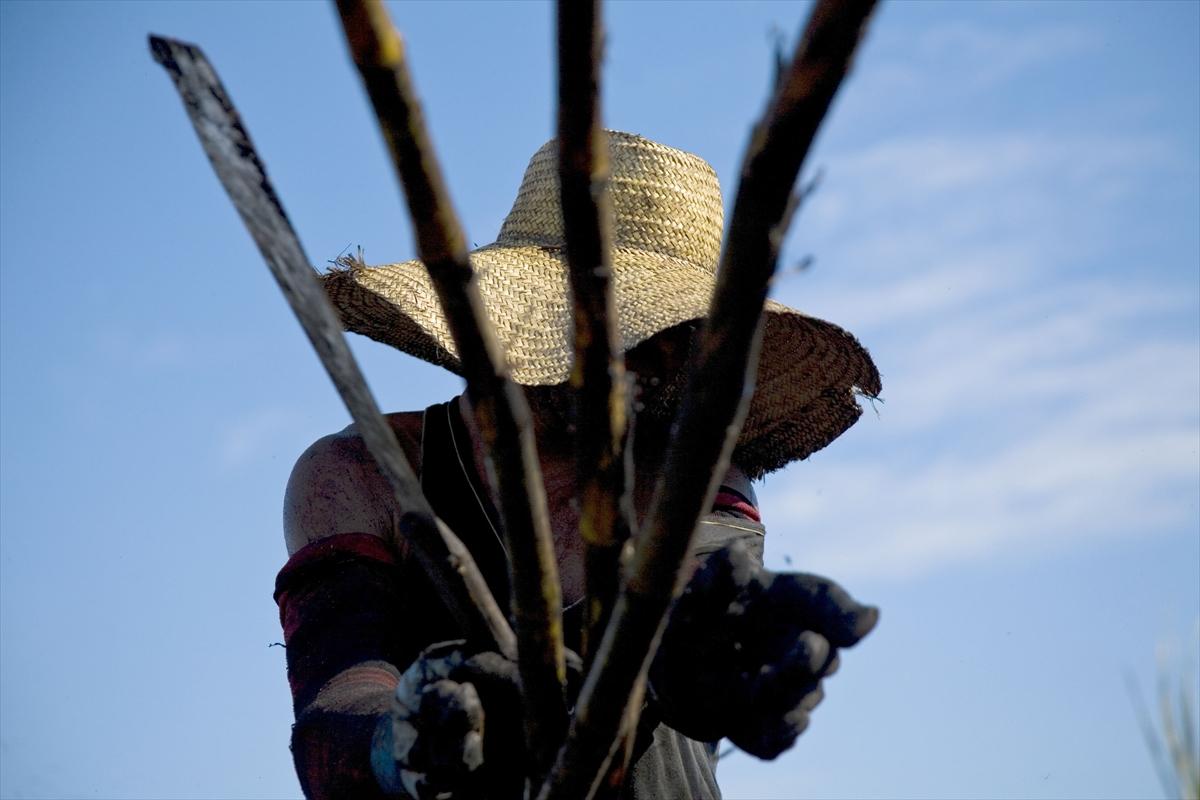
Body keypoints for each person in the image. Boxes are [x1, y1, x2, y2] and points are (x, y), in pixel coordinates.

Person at [275, 131, 882, 799]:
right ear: (525, 309)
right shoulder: (364, 476)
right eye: (620, 325)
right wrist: (405, 743)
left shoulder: (694, 482)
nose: (646, 357)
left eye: (672, 334)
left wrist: (714, 647)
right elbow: (337, 706)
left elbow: (695, 600)